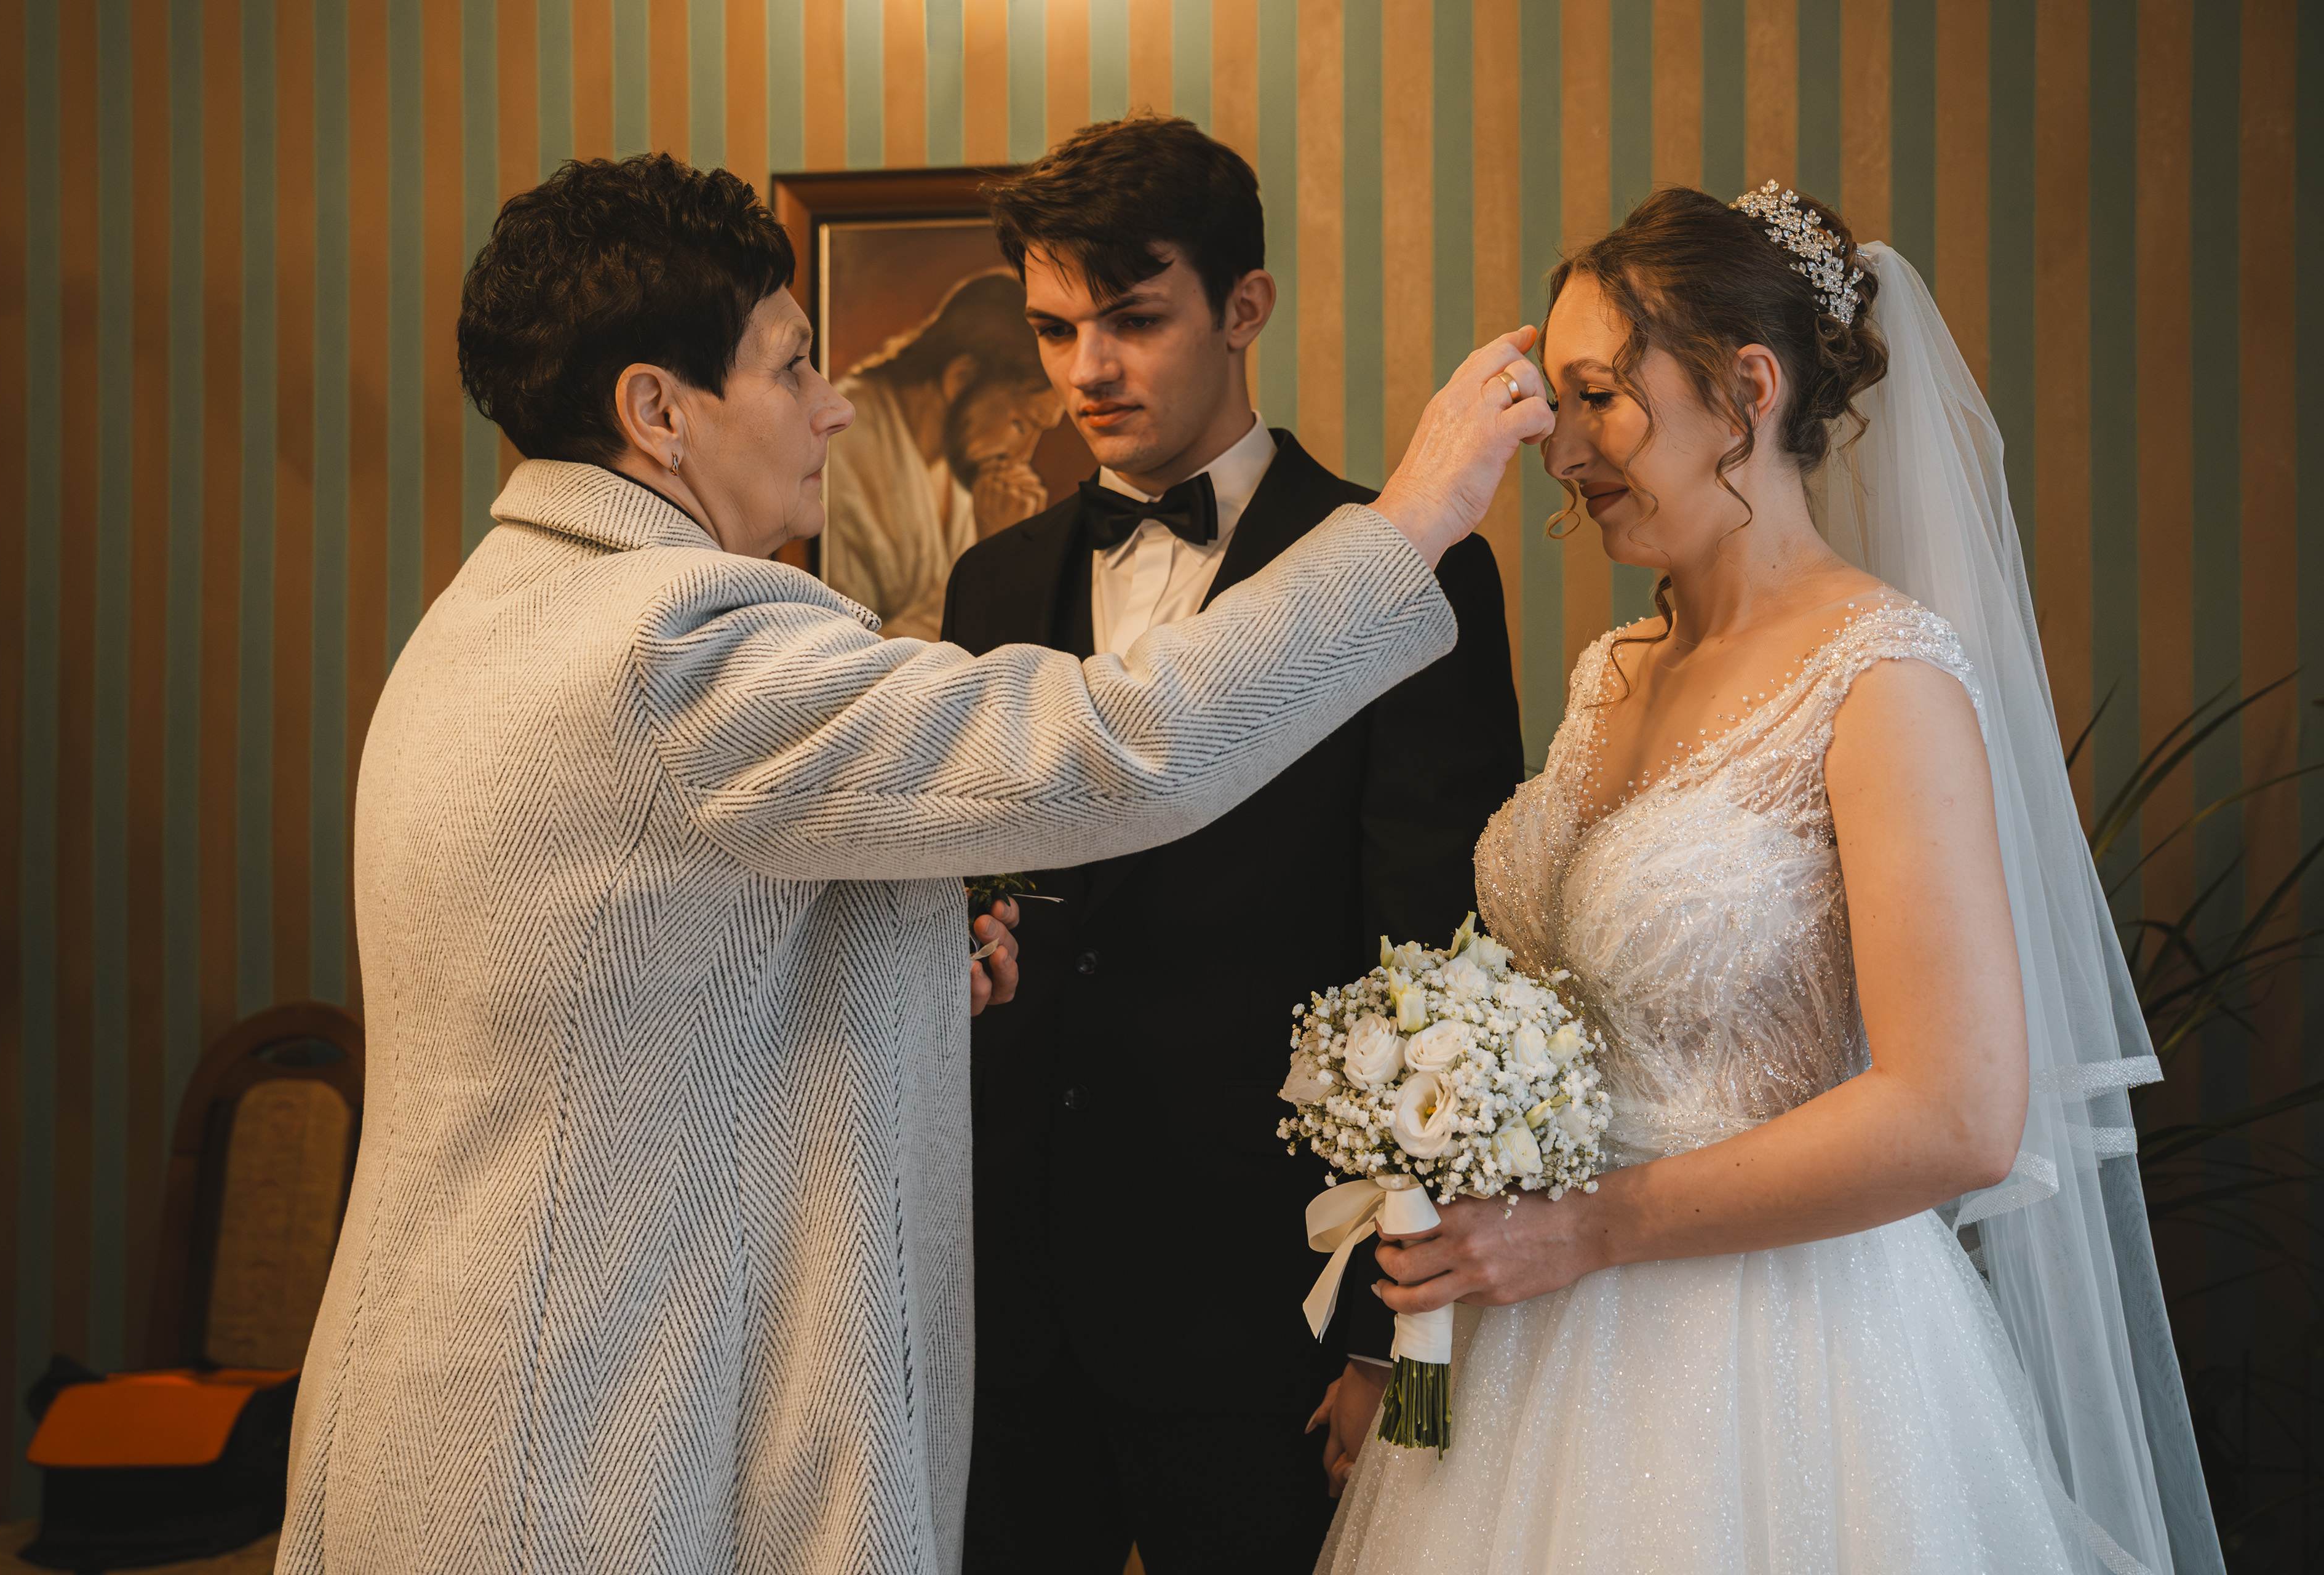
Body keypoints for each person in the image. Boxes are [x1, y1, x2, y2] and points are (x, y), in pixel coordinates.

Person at [274, 153, 1549, 1575]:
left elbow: (630, 970)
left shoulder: (489, 610)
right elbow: (1111, 746)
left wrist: (892, 965)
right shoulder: (678, 639)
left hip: (473, 1389)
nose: (834, 404)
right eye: (791, 365)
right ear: (656, 411)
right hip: (583, 1437)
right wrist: (1409, 525)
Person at [1315, 185, 2223, 1575]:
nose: (1560, 448)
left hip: (1777, 1358)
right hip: (1528, 1346)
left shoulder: (1884, 679)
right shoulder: (1612, 673)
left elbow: (1958, 1114)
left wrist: (1585, 1230)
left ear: (1747, 389)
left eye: (1597, 397)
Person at [939, 116, 1525, 1572]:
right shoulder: (991, 580)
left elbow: (1433, 960)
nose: (1086, 368)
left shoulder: (1415, 565)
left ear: (1243, 306)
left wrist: (1390, 1334)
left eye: (1133, 320)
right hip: (1006, 1297)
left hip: (1269, 1300)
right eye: (1054, 328)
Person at [822, 271, 1067, 639]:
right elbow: (848, 650)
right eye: (1020, 424)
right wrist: (992, 560)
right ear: (961, 378)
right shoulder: (844, 450)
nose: (1024, 456)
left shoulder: (959, 459)